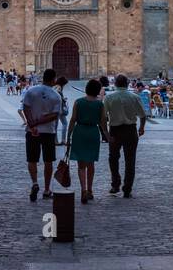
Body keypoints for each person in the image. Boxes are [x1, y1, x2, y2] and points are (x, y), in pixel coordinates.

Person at [19, 68, 63, 202]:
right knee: (48, 161)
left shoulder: (31, 91)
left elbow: (25, 107)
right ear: (54, 79)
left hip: (32, 131)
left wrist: (32, 124)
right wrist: (39, 122)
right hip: (48, 132)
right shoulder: (56, 95)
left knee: (32, 159)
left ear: (43, 77)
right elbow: (54, 115)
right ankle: (47, 189)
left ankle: (34, 183)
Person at [67, 78, 110, 203]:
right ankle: (90, 190)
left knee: (81, 164)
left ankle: (83, 190)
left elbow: (73, 119)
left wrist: (68, 136)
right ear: (97, 91)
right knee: (91, 163)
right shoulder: (99, 104)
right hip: (93, 133)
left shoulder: (78, 102)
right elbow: (103, 123)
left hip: (79, 132)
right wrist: (108, 136)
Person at [104, 74, 146, 197]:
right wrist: (141, 128)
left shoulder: (109, 97)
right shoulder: (134, 97)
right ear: (127, 83)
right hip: (130, 130)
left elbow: (103, 116)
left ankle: (115, 184)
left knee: (113, 158)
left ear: (115, 84)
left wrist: (105, 132)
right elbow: (143, 115)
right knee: (130, 160)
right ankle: (127, 188)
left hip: (115, 130)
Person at [54, 76, 70, 145]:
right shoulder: (58, 87)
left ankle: (56, 141)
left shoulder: (55, 86)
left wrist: (63, 98)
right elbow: (57, 93)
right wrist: (62, 99)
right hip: (59, 108)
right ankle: (62, 140)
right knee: (64, 123)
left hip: (56, 108)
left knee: (56, 125)